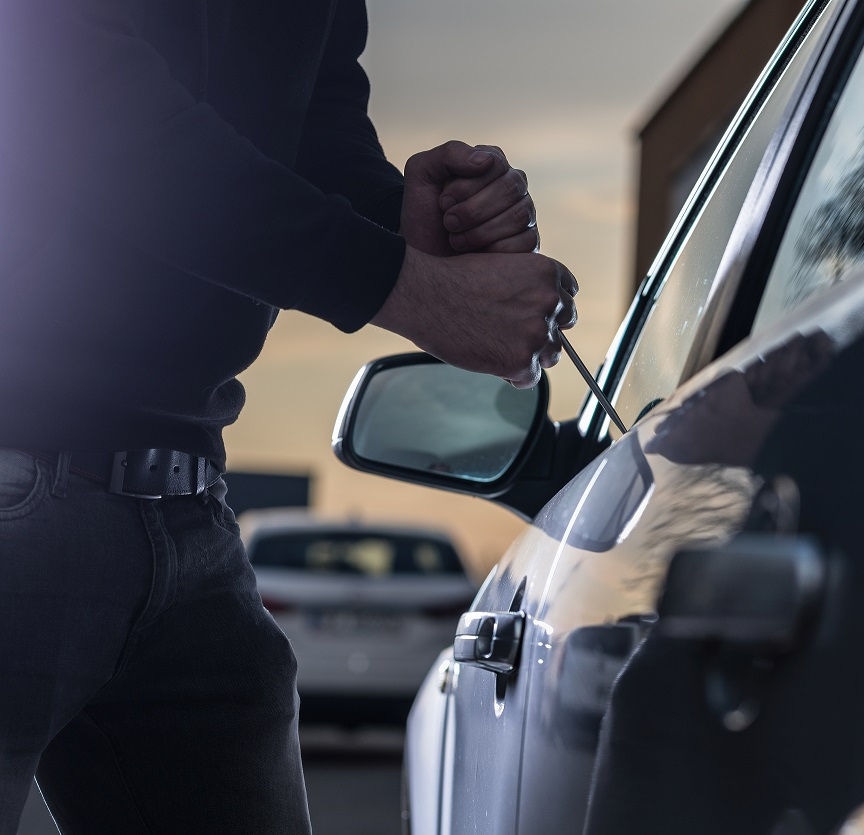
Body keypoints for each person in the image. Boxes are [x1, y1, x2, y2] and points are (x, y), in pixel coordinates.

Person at [0, 1, 576, 832]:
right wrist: (410, 291)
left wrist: (412, 230)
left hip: (189, 510)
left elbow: (311, 133)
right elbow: (86, 108)